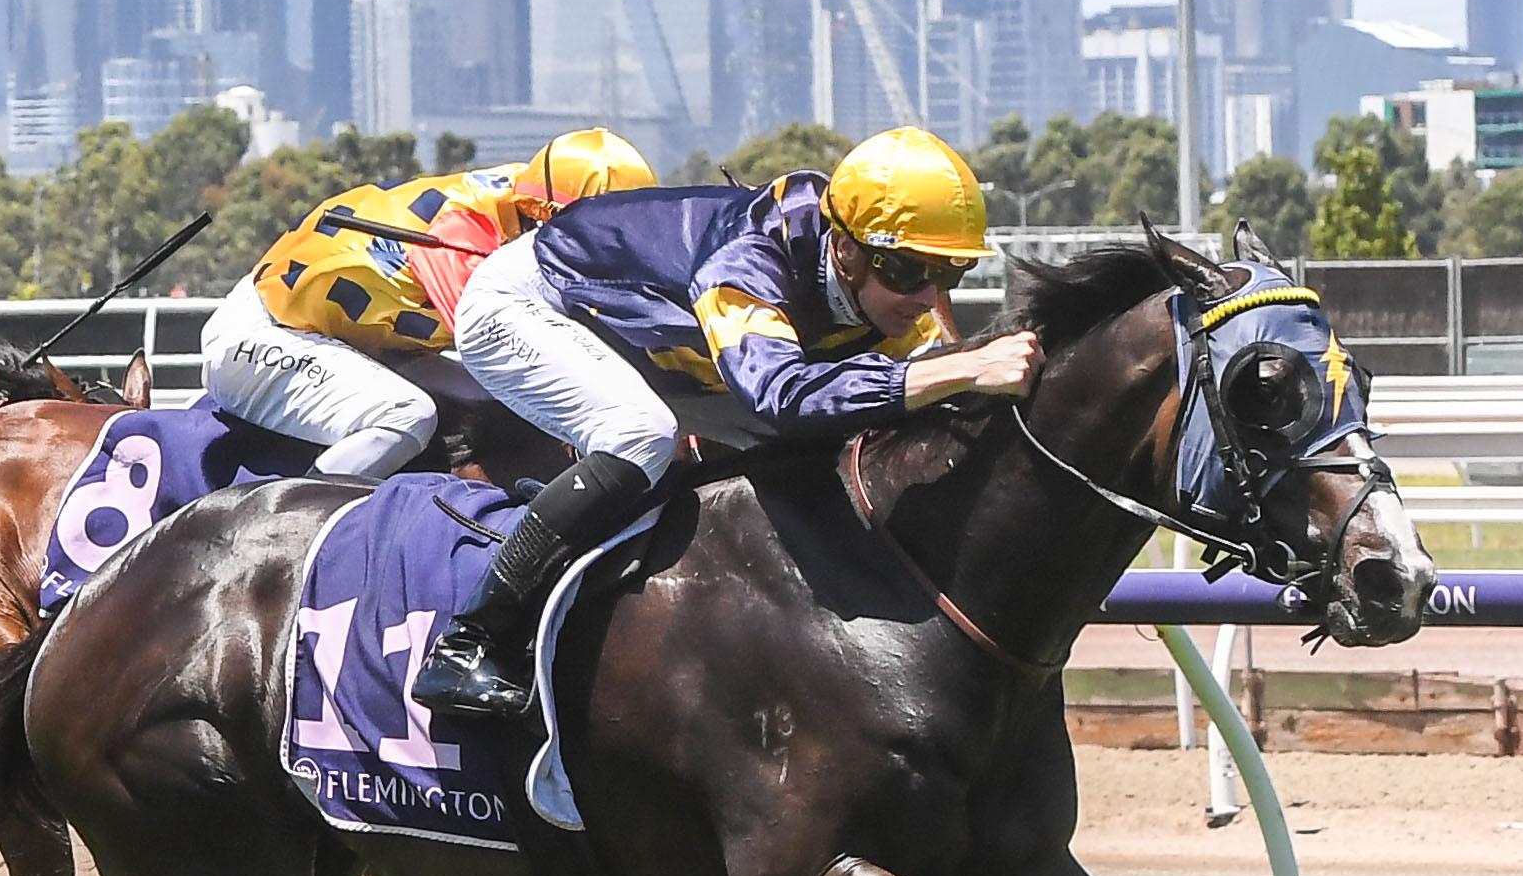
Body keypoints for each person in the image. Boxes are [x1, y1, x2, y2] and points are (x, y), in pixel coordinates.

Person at [411, 126, 1048, 718]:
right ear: (846, 248)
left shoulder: (895, 293)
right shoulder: (746, 261)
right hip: (526, 303)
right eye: (909, 270)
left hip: (651, 341)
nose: (929, 298)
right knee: (642, 432)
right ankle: (469, 643)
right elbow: (781, 395)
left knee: (811, 445)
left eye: (951, 273)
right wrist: (955, 371)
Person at [200, 129, 657, 480]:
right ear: (548, 216)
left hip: (364, 342)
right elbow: (504, 351)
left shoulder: (536, 196)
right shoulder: (464, 233)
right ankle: (304, 526)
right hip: (267, 334)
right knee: (407, 416)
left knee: (497, 410)